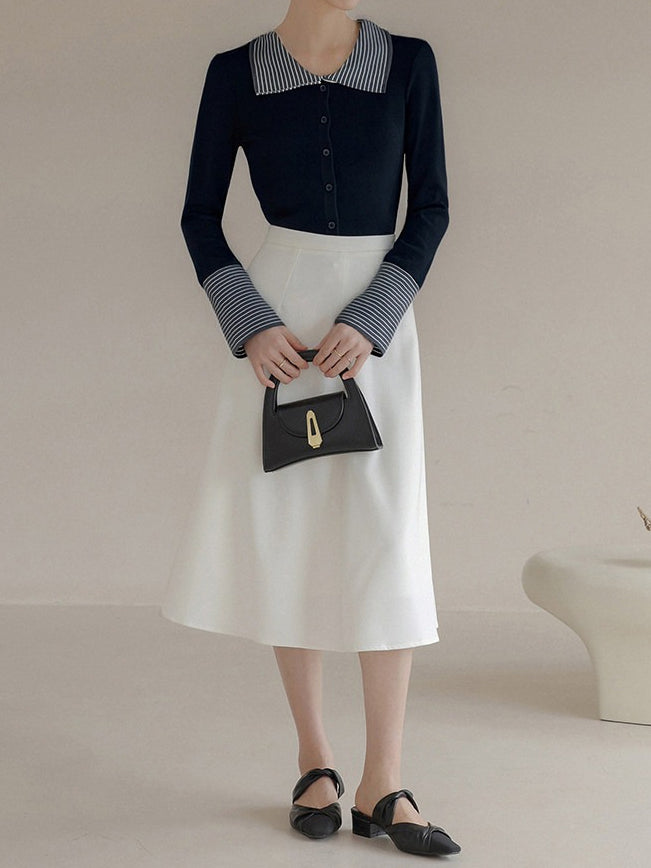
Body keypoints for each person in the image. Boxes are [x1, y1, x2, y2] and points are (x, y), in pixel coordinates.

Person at [161, 0, 460, 857]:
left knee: (385, 537)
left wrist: (373, 316)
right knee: (288, 536)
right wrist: (249, 323)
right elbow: (197, 215)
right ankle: (314, 761)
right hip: (276, 328)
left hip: (376, 330)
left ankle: (383, 780)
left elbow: (431, 208)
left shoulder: (408, 62)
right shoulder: (236, 72)